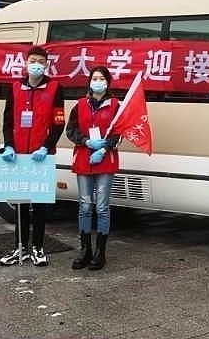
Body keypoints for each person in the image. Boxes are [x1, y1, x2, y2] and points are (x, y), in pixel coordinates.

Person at [0, 45, 65, 267]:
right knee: (21, 205)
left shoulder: (55, 88)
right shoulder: (15, 87)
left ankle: (37, 247)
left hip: (42, 157)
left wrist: (46, 147)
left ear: (46, 64)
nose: (36, 65)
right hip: (19, 156)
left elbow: (58, 122)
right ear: (26, 63)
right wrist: (9, 146)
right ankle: (20, 248)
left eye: (41, 62)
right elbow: (7, 121)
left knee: (40, 205)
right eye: (33, 61)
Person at [64, 66, 121, 271]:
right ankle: (85, 250)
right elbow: (71, 130)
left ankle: (100, 252)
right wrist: (86, 142)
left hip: (105, 160)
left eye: (101, 78)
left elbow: (119, 134)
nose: (97, 82)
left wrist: (104, 148)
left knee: (102, 207)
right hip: (83, 159)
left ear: (107, 82)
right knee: (85, 206)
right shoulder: (80, 105)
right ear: (89, 82)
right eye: (94, 78)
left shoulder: (115, 105)